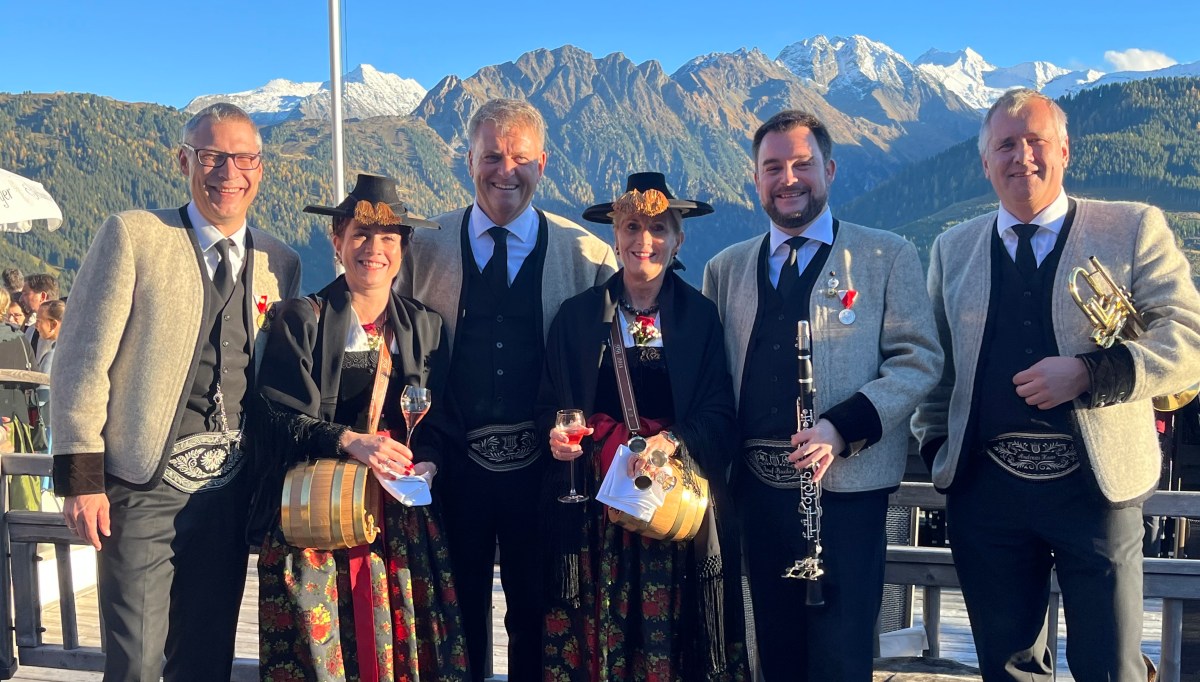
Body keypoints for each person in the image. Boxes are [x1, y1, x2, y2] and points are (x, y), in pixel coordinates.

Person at [911, 88, 1200, 681]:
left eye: (1036, 141)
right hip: (986, 496)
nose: (1022, 157)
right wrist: (940, 448)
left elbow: (1189, 341)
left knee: (1112, 669)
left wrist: (1092, 373)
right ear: (985, 162)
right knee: (1008, 671)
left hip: (1097, 493)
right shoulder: (951, 248)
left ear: (1064, 151)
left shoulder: (1133, 227)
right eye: (1005, 146)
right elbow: (937, 369)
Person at [51, 102, 302, 681]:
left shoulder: (280, 261)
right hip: (140, 488)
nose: (228, 173)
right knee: (136, 662)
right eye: (212, 156)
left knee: (206, 658)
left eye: (244, 159)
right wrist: (82, 480)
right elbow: (80, 361)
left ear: (260, 168)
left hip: (229, 494)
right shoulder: (134, 236)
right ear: (184, 161)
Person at [703, 110, 942, 681]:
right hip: (758, 498)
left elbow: (919, 360)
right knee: (774, 655)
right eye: (773, 167)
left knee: (841, 657)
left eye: (803, 164)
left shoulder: (886, 256)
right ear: (755, 180)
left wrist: (842, 427)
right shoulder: (724, 269)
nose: (788, 179)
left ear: (829, 170)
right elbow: (709, 379)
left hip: (848, 497)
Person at [395, 98, 616, 680]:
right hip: (450, 469)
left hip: (545, 473)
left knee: (541, 621)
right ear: (468, 160)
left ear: (542, 163)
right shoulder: (423, 248)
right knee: (454, 618)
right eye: (492, 156)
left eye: (520, 158)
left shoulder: (586, 255)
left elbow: (611, 369)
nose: (505, 171)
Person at [253, 173, 469, 681]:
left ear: (404, 249)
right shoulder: (300, 319)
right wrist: (349, 441)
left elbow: (442, 421)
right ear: (338, 241)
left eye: (388, 238)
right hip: (317, 518)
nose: (374, 249)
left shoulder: (426, 326)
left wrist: (429, 463)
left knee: (404, 652)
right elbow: (273, 418)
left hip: (399, 523)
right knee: (324, 659)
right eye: (361, 235)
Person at [539, 172, 749, 681]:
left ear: (679, 239)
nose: (644, 240)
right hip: (597, 510)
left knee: (672, 643)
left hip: (674, 506)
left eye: (658, 228)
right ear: (615, 236)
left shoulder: (700, 318)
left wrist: (671, 441)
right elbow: (549, 404)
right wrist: (556, 436)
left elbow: (721, 415)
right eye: (632, 227)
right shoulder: (577, 317)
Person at [33, 299, 62, 375]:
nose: (35, 325)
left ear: (53, 324)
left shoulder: (53, 356)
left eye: (39, 321)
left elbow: (43, 382)